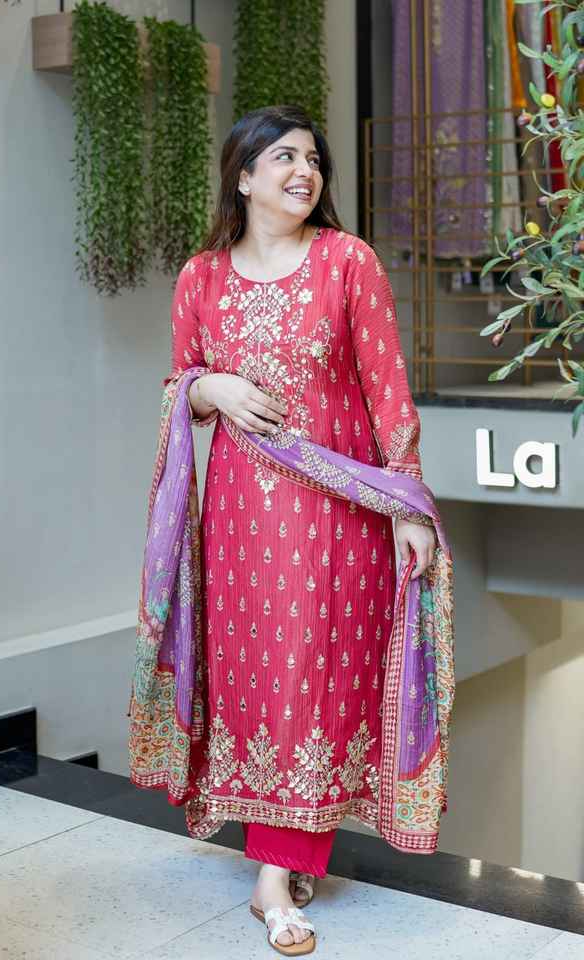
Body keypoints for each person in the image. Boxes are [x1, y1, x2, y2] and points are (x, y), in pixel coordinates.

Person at [163, 104, 436, 955]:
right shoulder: (200, 276)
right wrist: (210, 389)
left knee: (317, 679)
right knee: (257, 679)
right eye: (283, 157)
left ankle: (274, 878)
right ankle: (281, 861)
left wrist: (406, 504)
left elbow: (387, 386)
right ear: (243, 176)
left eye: (313, 159)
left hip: (339, 511)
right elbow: (178, 383)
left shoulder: (348, 262)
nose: (304, 172)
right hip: (241, 519)